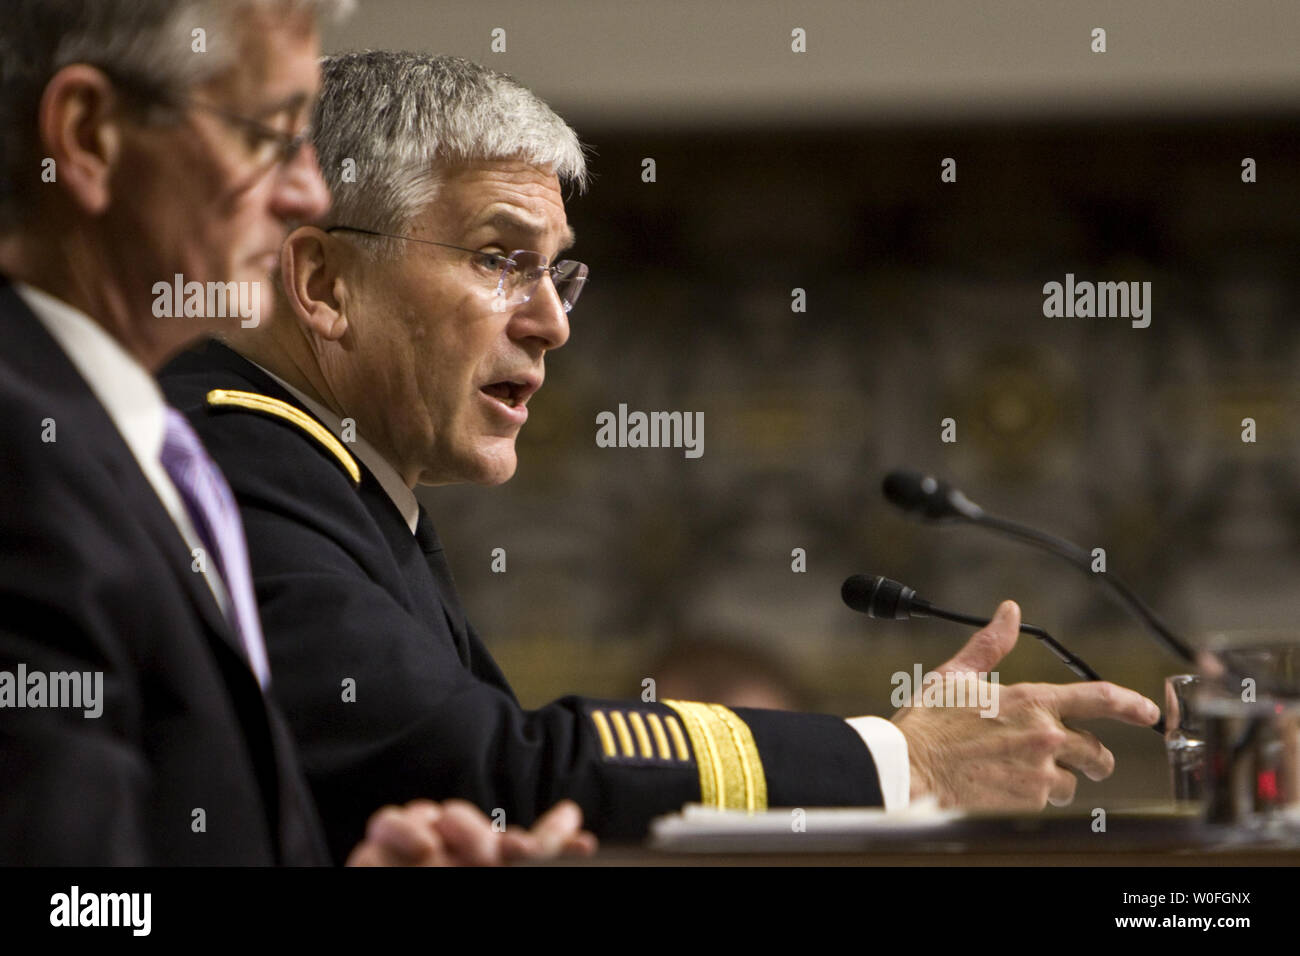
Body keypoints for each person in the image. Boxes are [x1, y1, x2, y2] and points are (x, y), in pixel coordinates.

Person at [161, 51, 1162, 860]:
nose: (551, 321)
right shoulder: (230, 461)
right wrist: (899, 758)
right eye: (501, 258)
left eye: (559, 273)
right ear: (326, 280)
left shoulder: (330, 477)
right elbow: (483, 766)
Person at [0, 1, 591, 865]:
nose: (305, 192)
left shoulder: (113, 446)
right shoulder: (26, 453)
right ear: (91, 138)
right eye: (269, 134)